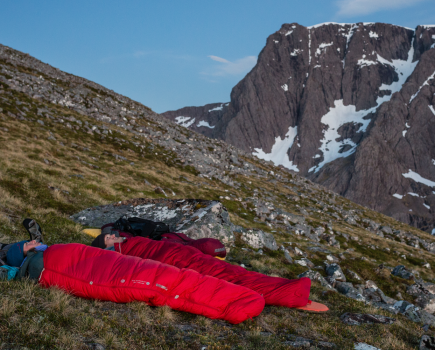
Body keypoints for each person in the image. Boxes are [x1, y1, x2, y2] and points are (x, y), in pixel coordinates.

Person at [91, 232, 329, 312]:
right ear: (107, 246)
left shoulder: (130, 241)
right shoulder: (122, 251)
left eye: (111, 234)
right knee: (231, 278)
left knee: (232, 272)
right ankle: (289, 293)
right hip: (182, 262)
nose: (113, 235)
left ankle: (287, 289)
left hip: (185, 256)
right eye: (108, 238)